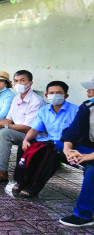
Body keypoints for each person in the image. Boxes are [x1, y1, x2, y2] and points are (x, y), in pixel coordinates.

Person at [9, 81, 78, 197]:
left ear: (66, 95)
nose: (54, 95)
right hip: (48, 141)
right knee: (25, 146)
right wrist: (26, 140)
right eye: (51, 93)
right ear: (46, 95)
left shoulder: (75, 110)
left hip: (65, 144)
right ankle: (22, 180)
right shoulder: (44, 110)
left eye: (58, 93)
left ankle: (35, 186)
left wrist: (65, 145)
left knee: (53, 156)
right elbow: (35, 129)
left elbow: (78, 134)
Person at [0, 70, 46, 181]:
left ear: (30, 83)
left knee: (4, 133)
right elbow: (8, 120)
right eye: (16, 81)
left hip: (33, 135)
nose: (19, 83)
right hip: (19, 131)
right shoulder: (17, 98)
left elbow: (27, 128)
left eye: (22, 80)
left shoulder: (36, 101)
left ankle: (1, 172)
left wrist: (2, 126)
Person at [59, 78, 94, 227]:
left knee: (92, 168)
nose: (88, 92)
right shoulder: (88, 107)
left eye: (92, 89)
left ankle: (83, 215)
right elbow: (73, 132)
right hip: (89, 147)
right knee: (58, 145)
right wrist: (68, 149)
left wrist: (88, 156)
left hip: (90, 153)